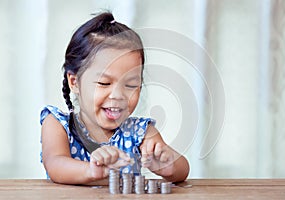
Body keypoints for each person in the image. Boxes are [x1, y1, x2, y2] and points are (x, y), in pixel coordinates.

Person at [40, 12, 189, 185]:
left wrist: (169, 166)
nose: (118, 95)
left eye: (131, 85)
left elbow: (183, 170)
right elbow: (55, 163)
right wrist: (91, 170)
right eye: (104, 83)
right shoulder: (57, 125)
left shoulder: (141, 132)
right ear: (74, 82)